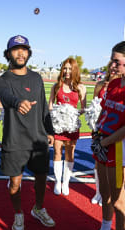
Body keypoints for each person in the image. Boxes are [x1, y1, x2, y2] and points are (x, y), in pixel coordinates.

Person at [83, 40, 125, 230]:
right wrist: (97, 136)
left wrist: (103, 142)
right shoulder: (112, 83)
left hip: (120, 145)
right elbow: (104, 113)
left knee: (119, 198)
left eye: (116, 61)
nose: (112, 65)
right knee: (104, 193)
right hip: (103, 142)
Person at [0, 35, 55, 230]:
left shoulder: (36, 78)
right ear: (8, 53)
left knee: (41, 179)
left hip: (38, 139)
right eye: (15, 49)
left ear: (29, 53)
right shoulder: (2, 81)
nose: (21, 53)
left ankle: (38, 208)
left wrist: (50, 130)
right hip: (15, 139)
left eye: (24, 49)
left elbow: (44, 107)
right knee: (14, 184)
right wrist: (18, 102)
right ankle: (18, 213)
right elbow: (6, 96)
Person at [48, 57, 86, 196]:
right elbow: (50, 105)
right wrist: (58, 115)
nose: (67, 71)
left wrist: (70, 114)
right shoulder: (57, 86)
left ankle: (66, 182)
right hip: (58, 127)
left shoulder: (81, 87)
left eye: (70, 68)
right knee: (57, 151)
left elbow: (83, 109)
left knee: (70, 153)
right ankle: (58, 181)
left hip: (71, 127)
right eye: (65, 68)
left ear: (75, 70)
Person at [90, 61, 120, 205]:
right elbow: (94, 105)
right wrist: (94, 124)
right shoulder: (100, 84)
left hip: (114, 130)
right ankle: (98, 192)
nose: (113, 69)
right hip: (100, 127)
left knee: (112, 163)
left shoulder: (123, 86)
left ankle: (108, 194)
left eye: (116, 66)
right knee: (98, 161)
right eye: (111, 66)